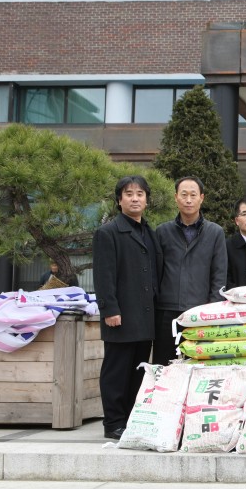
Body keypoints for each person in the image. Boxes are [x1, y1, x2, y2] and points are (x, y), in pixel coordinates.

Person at [92, 175, 162, 440]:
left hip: (145, 317)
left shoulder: (149, 232)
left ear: (146, 200)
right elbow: (104, 275)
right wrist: (109, 309)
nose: (135, 198)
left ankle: (132, 419)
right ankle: (113, 422)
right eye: (129, 194)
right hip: (120, 316)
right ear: (119, 200)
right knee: (116, 371)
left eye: (140, 194)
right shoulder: (108, 232)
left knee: (138, 371)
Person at [154, 176, 228, 365]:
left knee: (198, 364)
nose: (188, 200)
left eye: (193, 195)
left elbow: (219, 274)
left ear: (201, 198)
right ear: (175, 198)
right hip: (167, 311)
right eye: (183, 195)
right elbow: (155, 272)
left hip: (200, 311)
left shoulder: (215, 232)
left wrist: (213, 310)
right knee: (164, 365)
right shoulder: (163, 232)